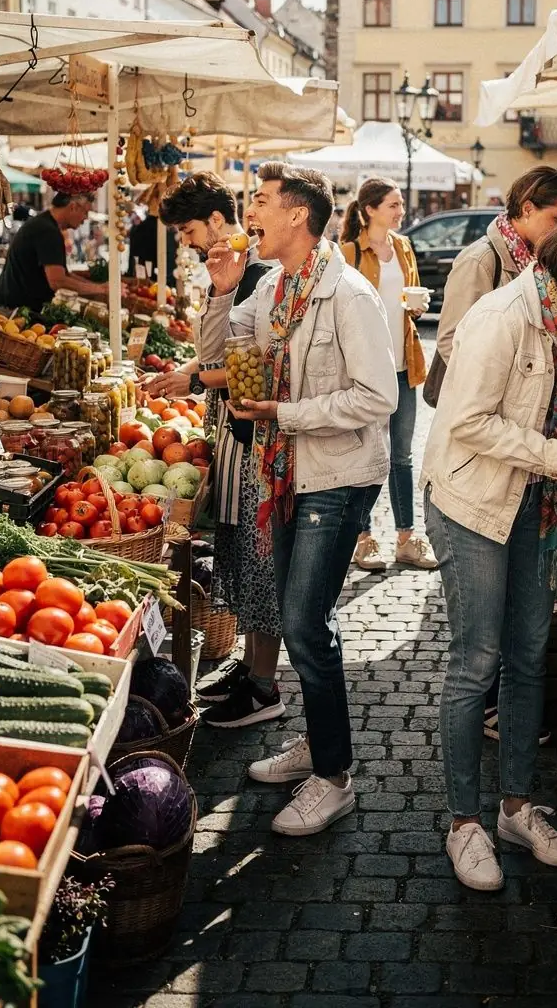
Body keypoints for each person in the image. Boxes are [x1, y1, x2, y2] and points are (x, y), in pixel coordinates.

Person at [421, 207, 557, 891]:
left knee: (526, 657)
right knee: (476, 662)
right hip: (473, 504)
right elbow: (468, 422)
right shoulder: (503, 316)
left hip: (533, 502)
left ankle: (516, 807)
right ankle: (464, 823)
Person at [199, 162, 398, 836]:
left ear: (296, 217)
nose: (249, 214)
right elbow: (225, 354)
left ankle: (334, 778)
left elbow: (380, 398)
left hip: (337, 477)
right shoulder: (277, 287)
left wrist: (285, 414)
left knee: (307, 623)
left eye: (260, 202)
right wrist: (224, 292)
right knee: (297, 618)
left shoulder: (349, 297)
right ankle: (319, 743)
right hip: (289, 471)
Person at [154, 171, 280, 727]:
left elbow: (253, 364)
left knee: (258, 558)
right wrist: (192, 372)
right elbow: (212, 351)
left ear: (215, 221)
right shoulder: (229, 272)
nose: (186, 240)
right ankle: (252, 665)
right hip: (232, 435)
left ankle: (264, 685)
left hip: (255, 438)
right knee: (237, 552)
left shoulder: (259, 274)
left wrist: (197, 379)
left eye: (187, 229)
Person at [340, 178, 437, 573]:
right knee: (365, 453)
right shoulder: (348, 253)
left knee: (402, 454)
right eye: (393, 205)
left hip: (402, 364)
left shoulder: (403, 247)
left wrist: (416, 307)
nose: (400, 211)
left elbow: (405, 301)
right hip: (364, 371)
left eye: (400, 204)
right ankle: (362, 540)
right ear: (369, 211)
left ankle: (405, 539)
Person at [432, 167, 557, 385]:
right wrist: (491, 390)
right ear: (528, 209)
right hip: (490, 401)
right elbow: (451, 341)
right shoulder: (480, 260)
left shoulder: (540, 259)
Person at [0, 193, 109, 313]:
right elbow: (58, 281)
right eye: (85, 212)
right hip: (13, 311)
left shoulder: (45, 224)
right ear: (73, 207)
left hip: (14, 306)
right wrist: (100, 289)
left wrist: (98, 286)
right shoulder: (47, 231)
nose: (85, 219)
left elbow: (64, 275)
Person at [128, 211, 177, 286]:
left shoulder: (138, 229)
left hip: (143, 282)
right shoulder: (169, 231)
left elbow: (134, 259)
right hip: (165, 282)